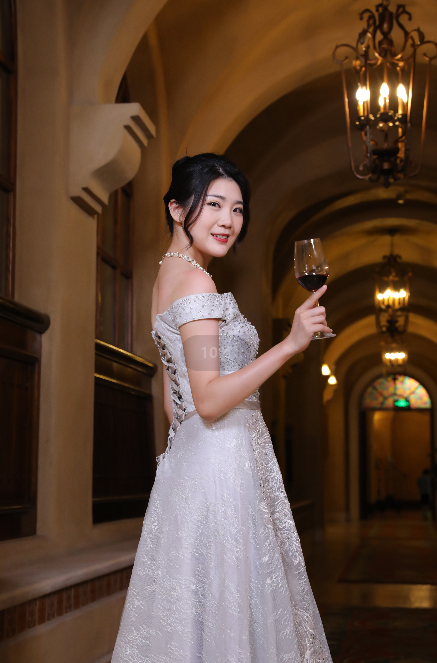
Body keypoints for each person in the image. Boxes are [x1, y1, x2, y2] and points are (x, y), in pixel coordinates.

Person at [111, 153, 333, 662]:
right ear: (176, 209)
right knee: (233, 613)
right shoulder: (196, 283)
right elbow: (208, 400)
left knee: (201, 620)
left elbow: (175, 404)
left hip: (199, 465)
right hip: (223, 467)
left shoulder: (165, 279)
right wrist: (290, 344)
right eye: (213, 204)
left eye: (236, 209)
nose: (228, 220)